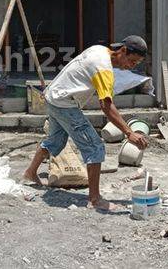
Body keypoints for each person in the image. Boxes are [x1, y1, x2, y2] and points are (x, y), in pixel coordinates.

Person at [23, 36, 150, 210]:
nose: (131, 66)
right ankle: (95, 199)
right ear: (123, 51)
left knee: (55, 141)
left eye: (136, 64)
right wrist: (129, 133)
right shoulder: (103, 68)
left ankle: (30, 173)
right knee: (94, 147)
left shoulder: (99, 49)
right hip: (64, 103)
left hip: (53, 96)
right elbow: (106, 105)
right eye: (132, 61)